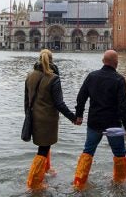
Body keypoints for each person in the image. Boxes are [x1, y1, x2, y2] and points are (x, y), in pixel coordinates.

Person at [73, 50, 126, 190]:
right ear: (116, 64)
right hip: (113, 125)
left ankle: (79, 182)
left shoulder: (91, 76)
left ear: (102, 61)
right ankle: (120, 181)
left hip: (94, 123)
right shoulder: (119, 79)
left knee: (88, 151)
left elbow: (81, 97)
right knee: (119, 153)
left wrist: (79, 115)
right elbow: (123, 106)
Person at [24, 49, 77, 190]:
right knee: (43, 149)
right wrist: (73, 118)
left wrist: (28, 118)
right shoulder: (53, 78)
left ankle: (45, 171)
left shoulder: (30, 76)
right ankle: (34, 183)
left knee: (44, 146)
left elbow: (26, 102)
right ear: (51, 60)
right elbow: (59, 104)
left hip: (34, 117)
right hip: (47, 120)